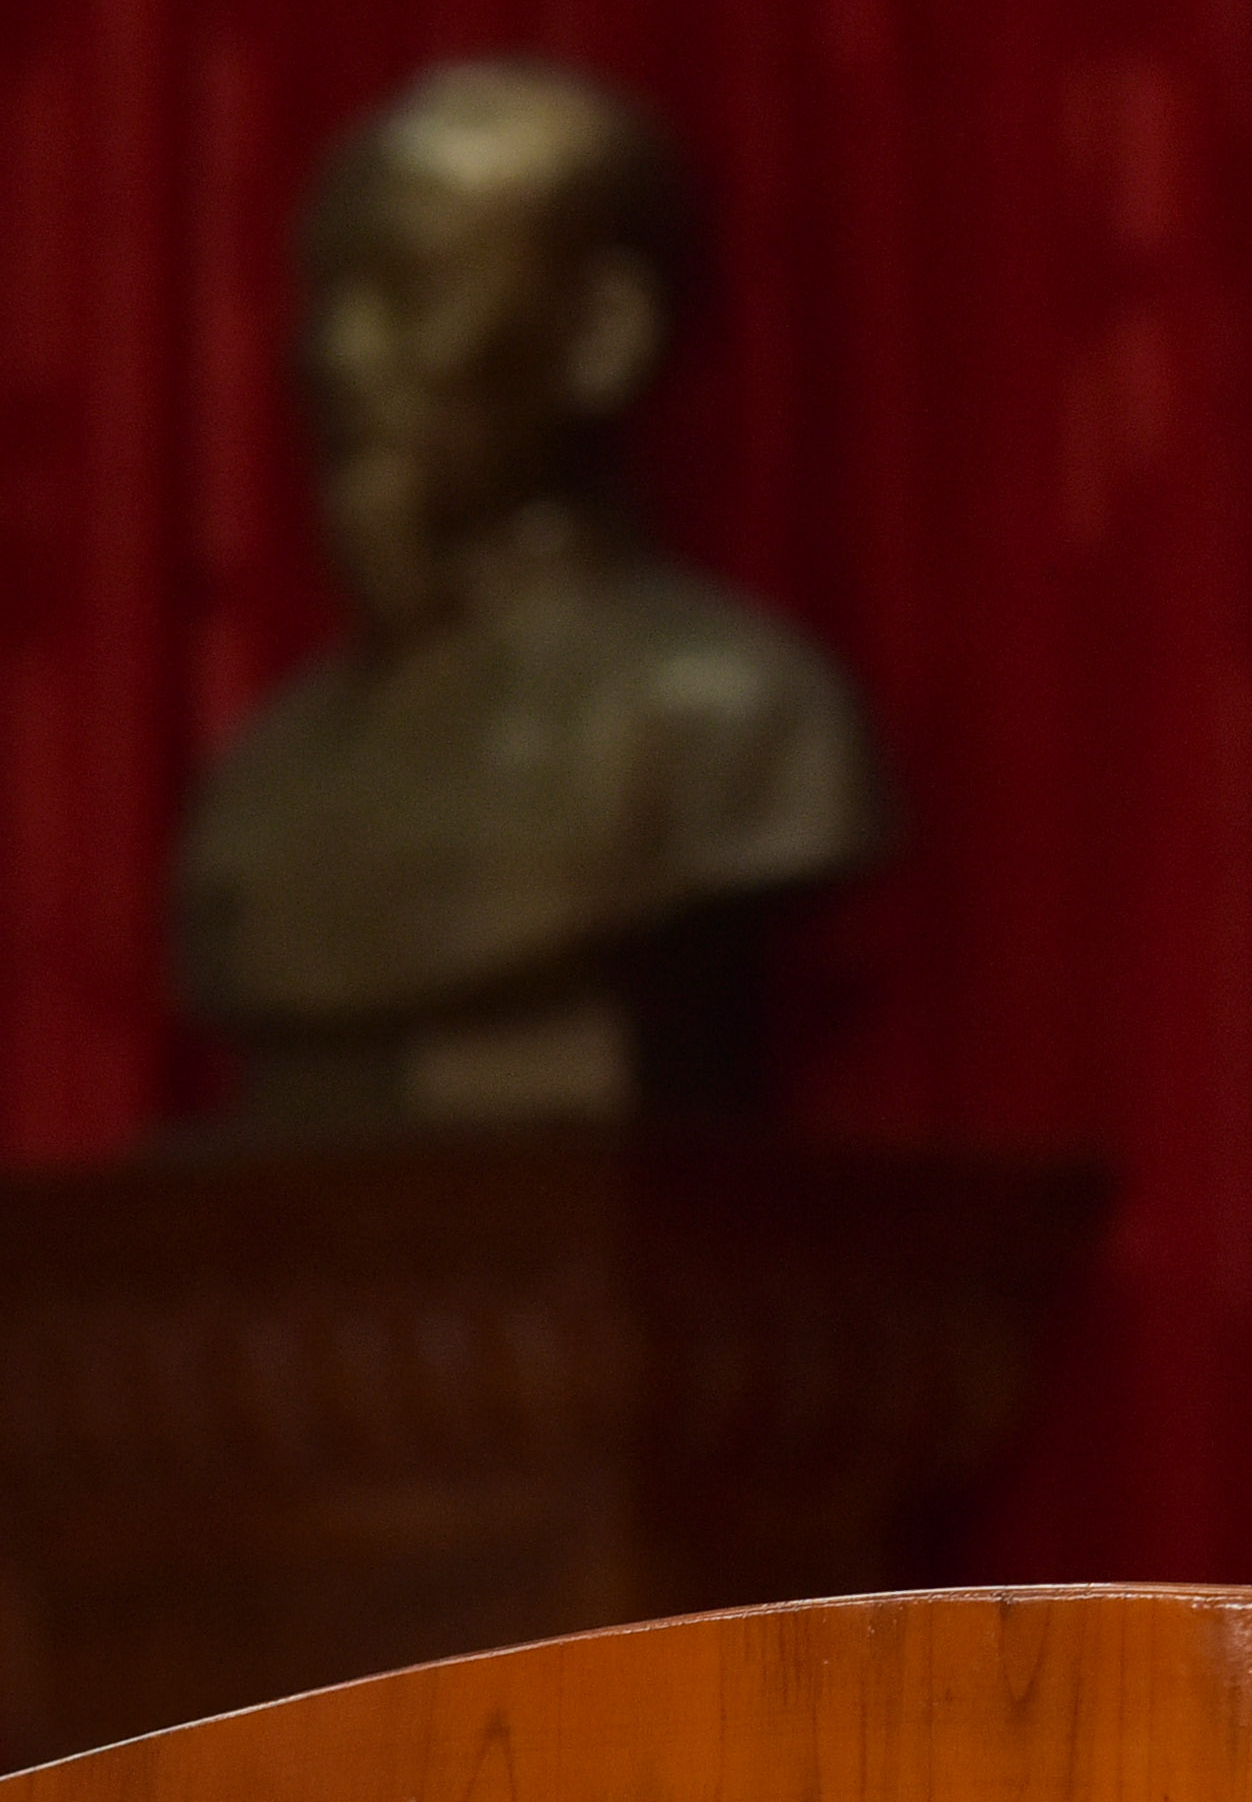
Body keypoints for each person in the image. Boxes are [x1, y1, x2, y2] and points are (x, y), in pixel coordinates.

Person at [173, 58, 892, 1129]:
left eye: (409, 291)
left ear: (602, 335)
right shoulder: (265, 776)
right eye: (325, 298)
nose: (336, 353)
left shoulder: (731, 716)